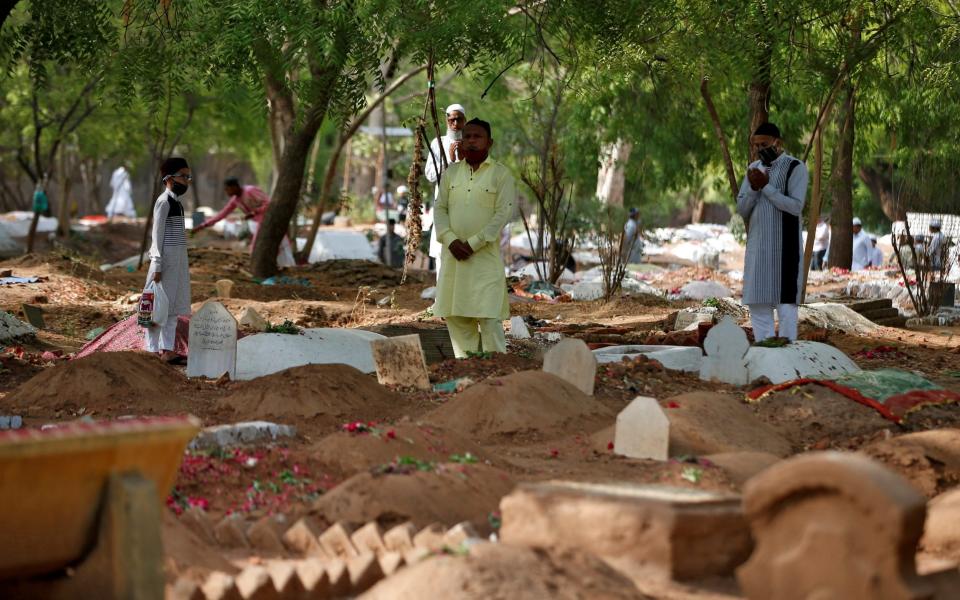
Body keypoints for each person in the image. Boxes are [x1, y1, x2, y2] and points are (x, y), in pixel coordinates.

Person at [434, 118, 515, 357]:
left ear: (489, 142)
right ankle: (467, 373)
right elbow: (439, 209)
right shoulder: (451, 173)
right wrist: (450, 240)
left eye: (477, 136)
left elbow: (503, 213)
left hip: (483, 259)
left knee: (489, 318)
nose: (470, 141)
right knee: (457, 318)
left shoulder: (501, 175)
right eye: (466, 136)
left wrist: (473, 243)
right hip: (453, 259)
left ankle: (497, 374)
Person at [736, 122, 809, 342]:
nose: (759, 149)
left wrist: (767, 187)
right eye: (756, 145)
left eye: (764, 144)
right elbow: (742, 209)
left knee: (786, 309)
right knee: (758, 307)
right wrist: (752, 188)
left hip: (784, 251)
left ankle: (789, 365)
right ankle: (767, 362)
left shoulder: (795, 167)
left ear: (778, 143)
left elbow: (796, 207)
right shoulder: (753, 169)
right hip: (758, 251)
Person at [145, 158, 192, 362]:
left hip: (178, 262)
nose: (186, 181)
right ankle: (153, 350)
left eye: (188, 177)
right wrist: (157, 264)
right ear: (169, 178)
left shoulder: (177, 203)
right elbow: (157, 236)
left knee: (172, 308)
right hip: (164, 263)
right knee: (158, 307)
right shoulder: (163, 202)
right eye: (183, 176)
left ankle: (167, 349)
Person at [193, 177, 295, 267]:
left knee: (259, 248)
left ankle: (280, 267)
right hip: (257, 224)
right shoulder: (235, 200)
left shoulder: (250, 191)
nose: (226, 192)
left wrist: (255, 212)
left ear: (234, 187)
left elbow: (268, 203)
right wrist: (203, 225)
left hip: (268, 222)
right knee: (262, 248)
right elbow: (222, 214)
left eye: (227, 189)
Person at [425, 103, 467, 280]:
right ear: (446, 121)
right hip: (443, 204)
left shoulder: (471, 142)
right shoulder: (438, 143)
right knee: (442, 251)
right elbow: (429, 175)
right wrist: (448, 161)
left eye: (459, 119)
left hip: (466, 207)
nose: (455, 124)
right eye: (452, 120)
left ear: (465, 121)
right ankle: (441, 301)